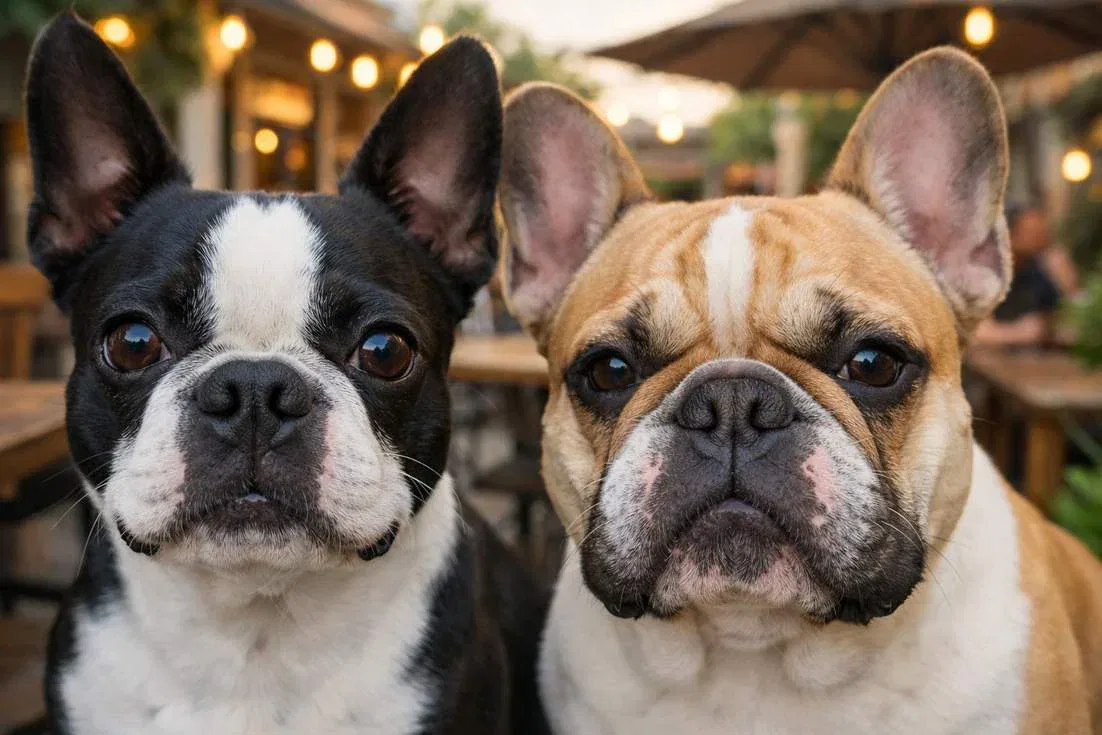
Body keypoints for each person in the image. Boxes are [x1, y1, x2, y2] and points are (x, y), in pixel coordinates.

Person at [974, 204, 1080, 347]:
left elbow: (1070, 322)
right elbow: (975, 332)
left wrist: (1070, 286)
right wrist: (1019, 333)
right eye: (1032, 232)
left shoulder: (1039, 269)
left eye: (1042, 229)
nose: (1042, 236)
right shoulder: (982, 270)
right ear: (1008, 234)